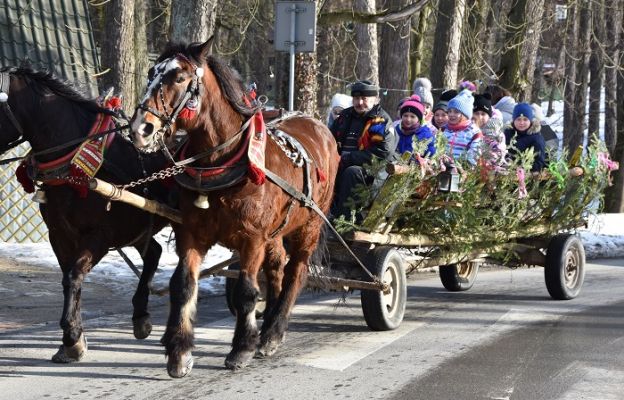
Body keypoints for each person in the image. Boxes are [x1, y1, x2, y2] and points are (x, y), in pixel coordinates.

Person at [330, 80, 396, 220]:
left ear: (376, 99)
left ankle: (346, 222)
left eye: (364, 99)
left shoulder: (380, 120)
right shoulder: (344, 117)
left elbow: (383, 152)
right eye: (356, 98)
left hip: (373, 171)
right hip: (340, 163)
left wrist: (348, 158)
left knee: (351, 172)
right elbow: (330, 138)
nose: (359, 103)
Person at [441, 89, 483, 166]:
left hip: (463, 172)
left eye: (456, 112)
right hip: (442, 169)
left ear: (465, 115)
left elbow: (474, 157)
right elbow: (437, 149)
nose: (451, 114)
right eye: (449, 111)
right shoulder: (444, 129)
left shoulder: (474, 133)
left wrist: (459, 168)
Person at [504, 103, 547, 172]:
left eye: (525, 119)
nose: (521, 123)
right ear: (513, 120)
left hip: (528, 177)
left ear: (530, 120)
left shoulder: (536, 139)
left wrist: (521, 168)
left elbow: (540, 163)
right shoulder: (508, 134)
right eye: (518, 119)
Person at [472, 93, 506, 165]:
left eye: (483, 114)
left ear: (489, 116)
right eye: (477, 113)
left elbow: (499, 153)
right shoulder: (469, 130)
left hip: (488, 168)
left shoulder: (496, 133)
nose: (480, 117)